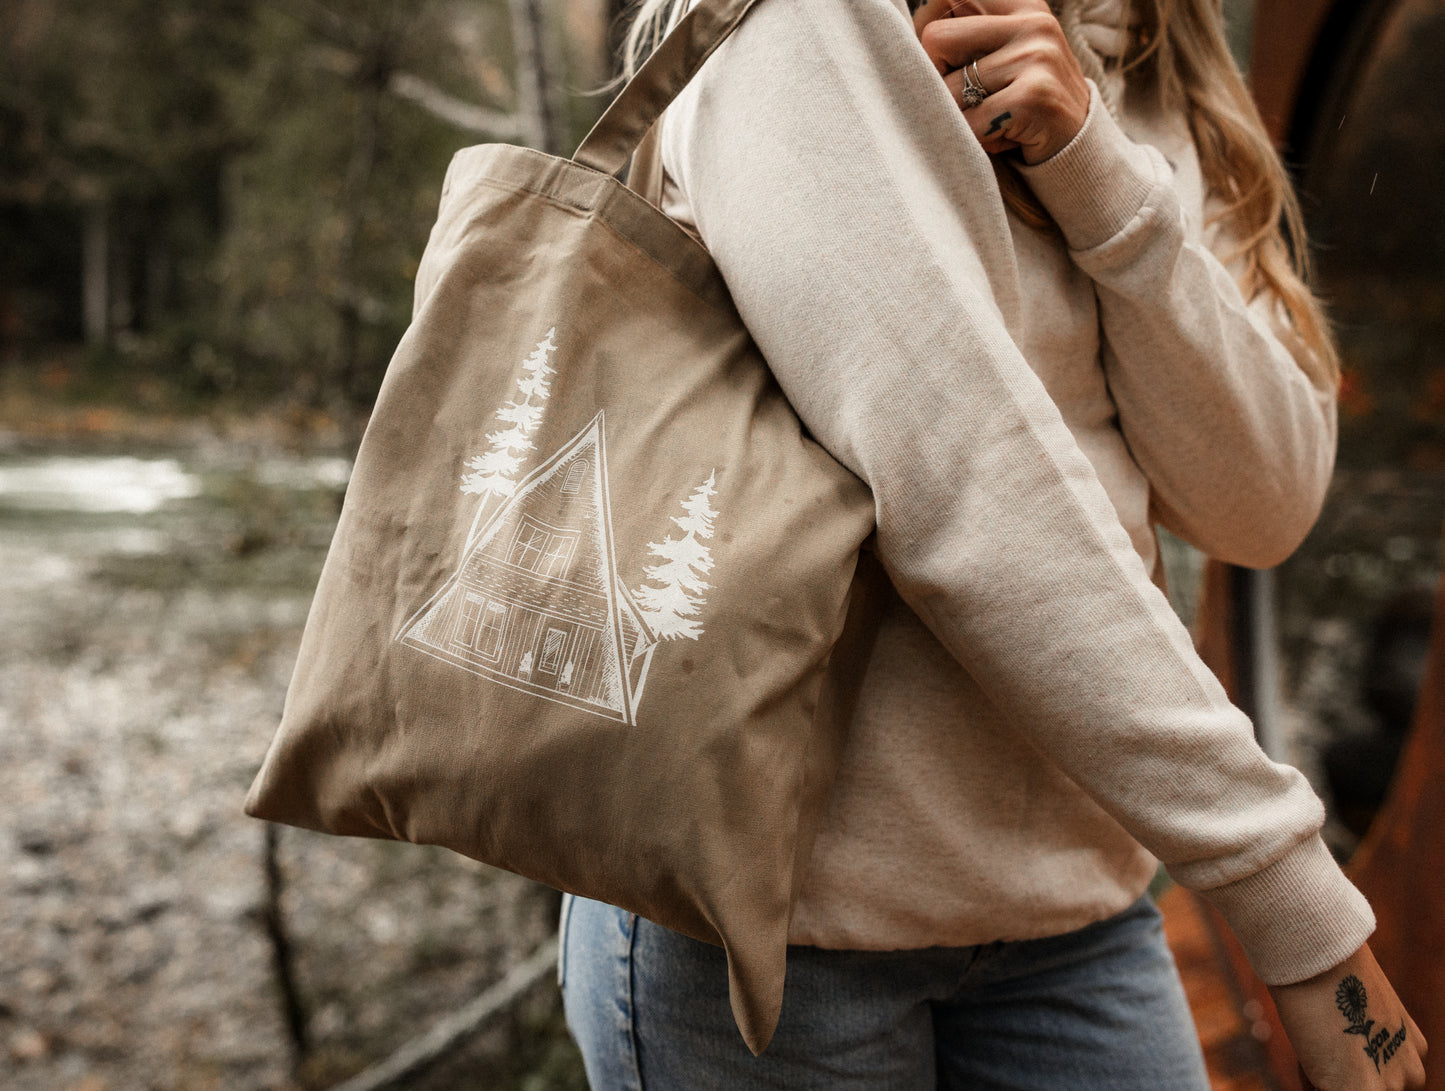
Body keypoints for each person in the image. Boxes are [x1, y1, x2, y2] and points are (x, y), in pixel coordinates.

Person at [559, 0, 1429, 1087]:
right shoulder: (805, 23)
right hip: (760, 923)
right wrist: (1285, 892)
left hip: (1070, 912)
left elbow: (1262, 502)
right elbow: (963, 480)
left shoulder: (1144, 58)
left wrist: (1094, 174)